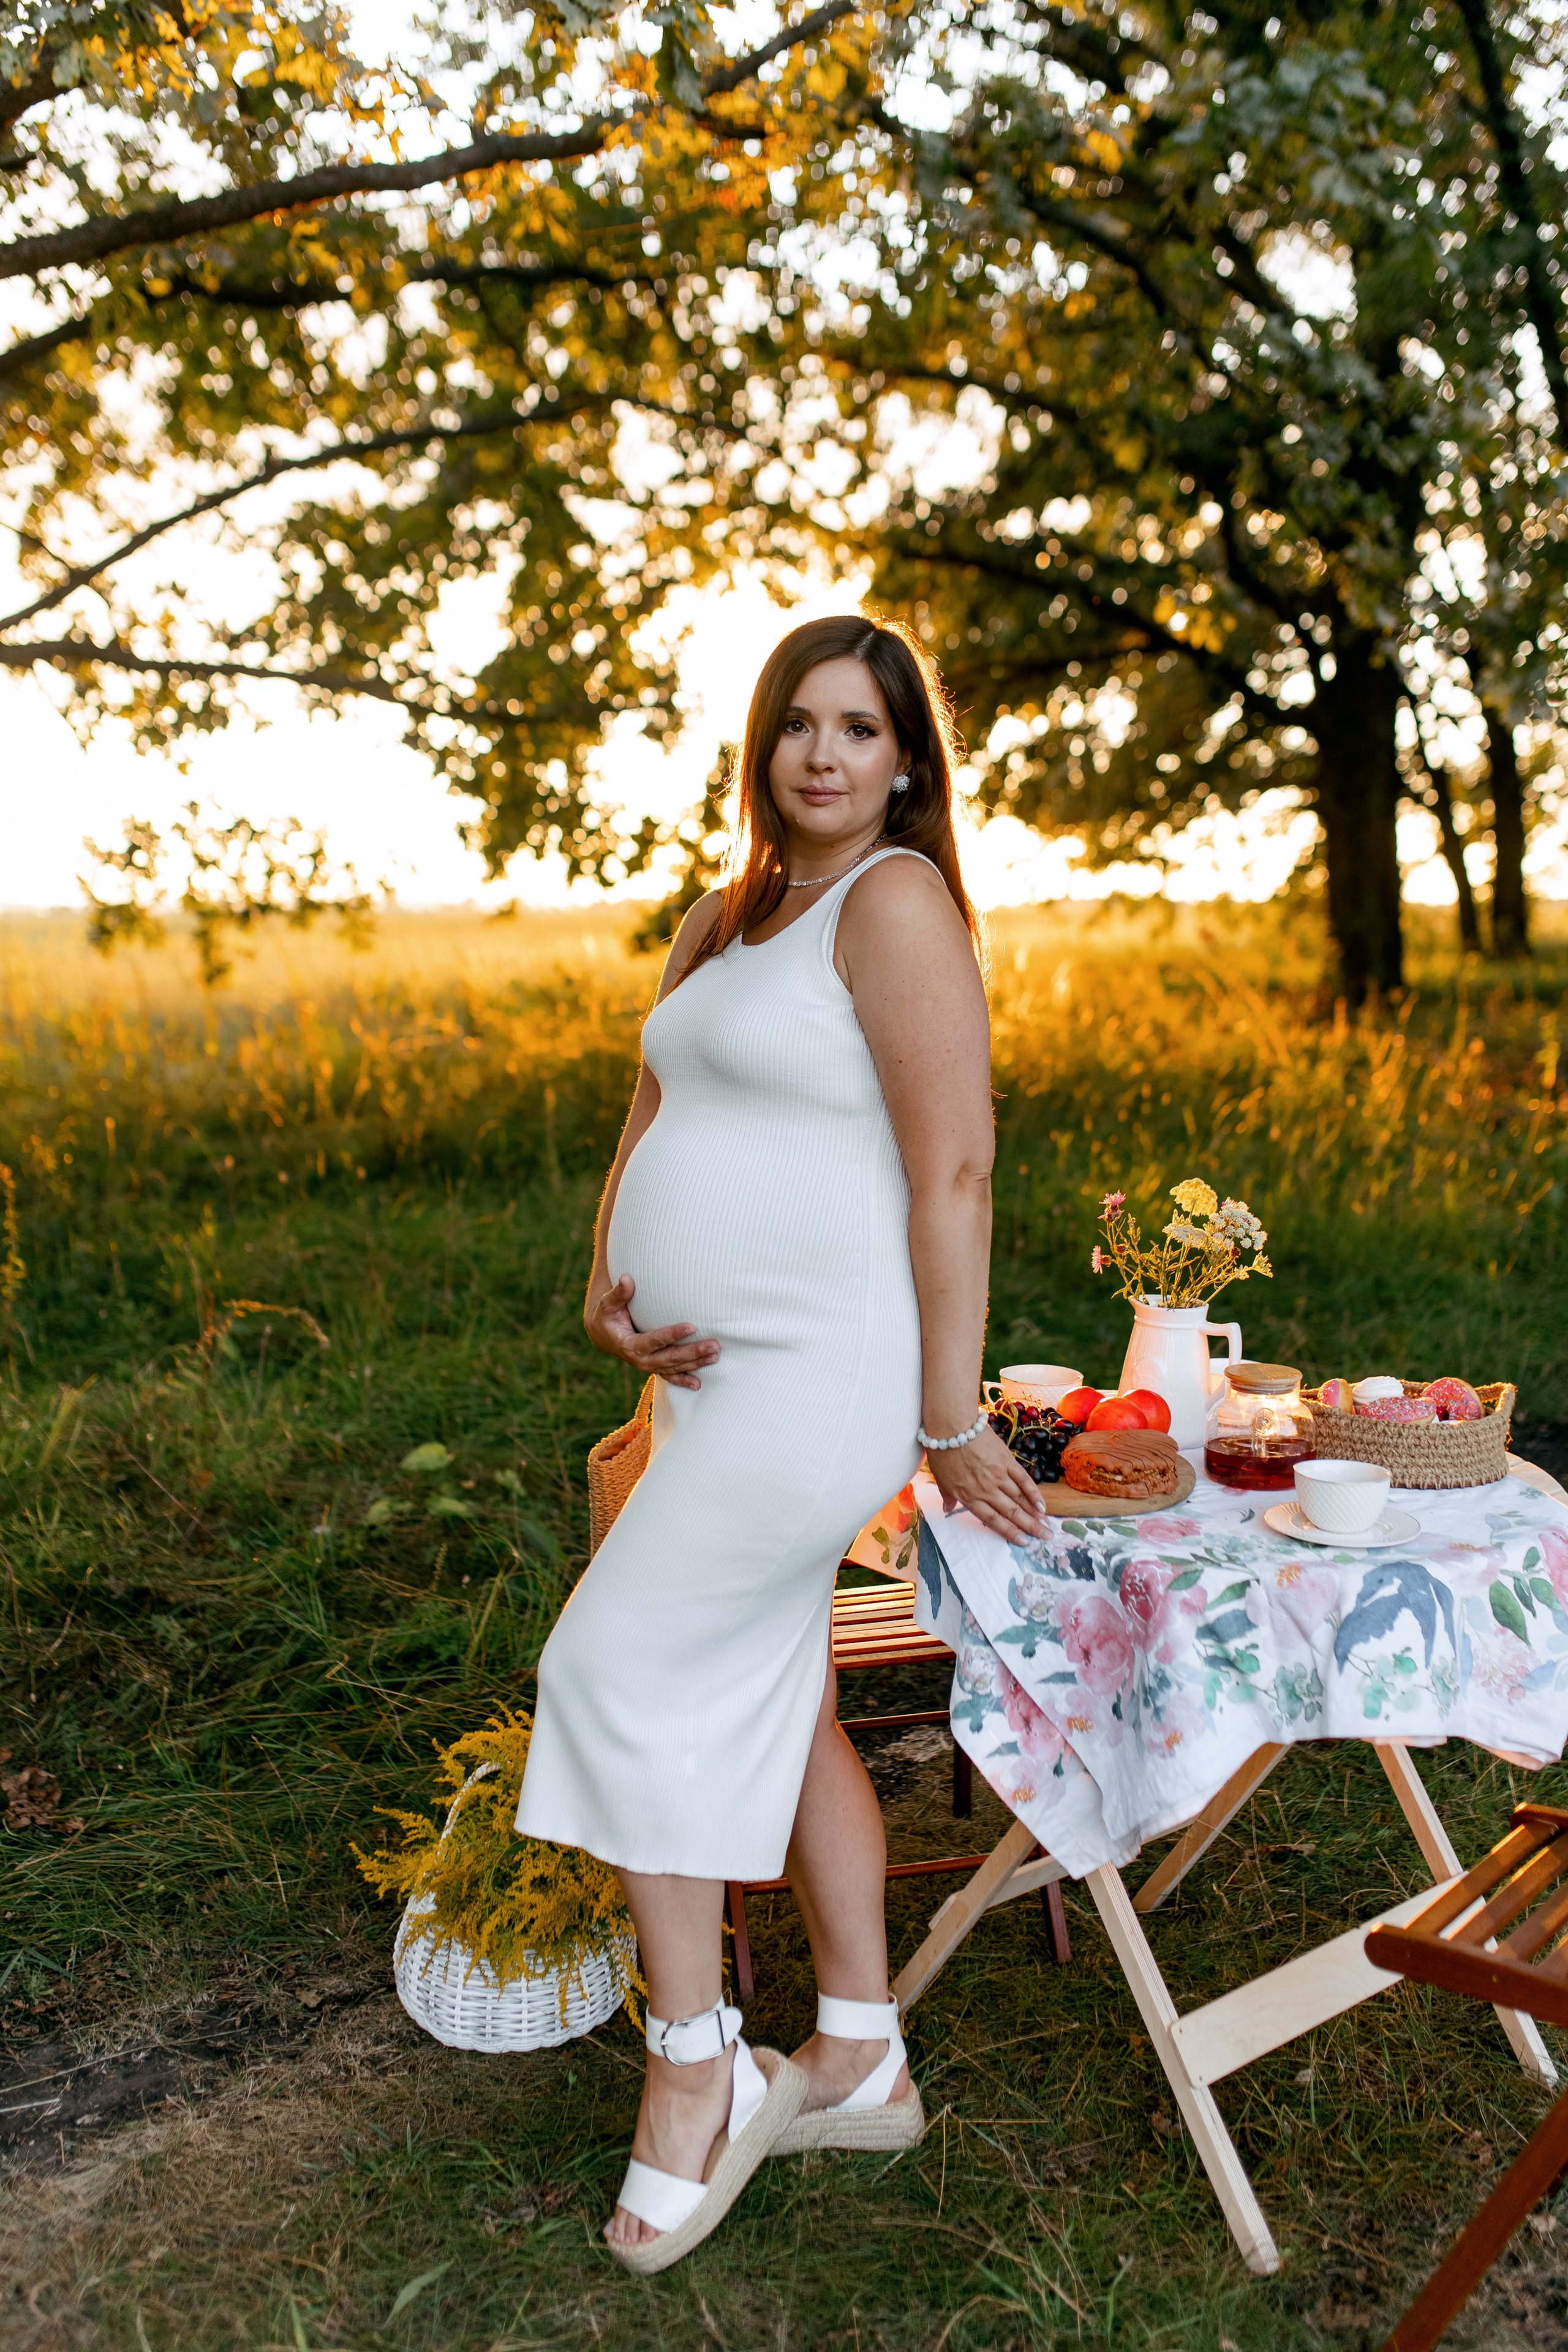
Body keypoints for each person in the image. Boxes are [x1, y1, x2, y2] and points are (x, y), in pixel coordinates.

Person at [516, 612, 1047, 2272]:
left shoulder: (893, 904)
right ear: (762, 747)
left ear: (905, 761)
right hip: (701, 1382)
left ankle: (700, 2069)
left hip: (823, 1379)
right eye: (800, 723)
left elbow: (953, 1170)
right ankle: (860, 2049)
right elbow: (652, 1114)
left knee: (612, 1667)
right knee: (789, 1703)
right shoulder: (725, 915)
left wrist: (948, 1416)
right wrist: (606, 1281)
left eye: (861, 728)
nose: (825, 754)